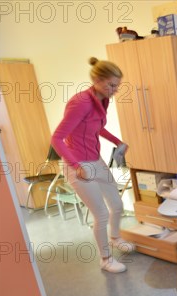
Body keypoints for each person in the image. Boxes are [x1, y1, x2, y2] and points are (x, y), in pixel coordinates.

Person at [52, 57, 134, 273]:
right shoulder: (81, 103)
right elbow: (57, 138)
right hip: (78, 166)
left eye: (117, 86)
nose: (115, 90)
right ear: (97, 80)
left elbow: (97, 128)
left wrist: (118, 142)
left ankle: (115, 238)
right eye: (111, 85)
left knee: (117, 205)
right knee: (102, 214)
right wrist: (76, 165)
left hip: (95, 160)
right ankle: (106, 260)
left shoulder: (102, 99)